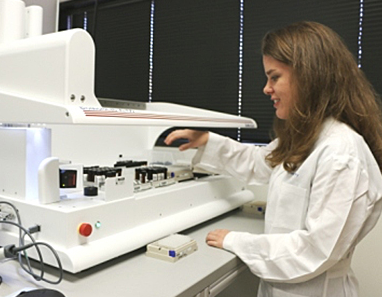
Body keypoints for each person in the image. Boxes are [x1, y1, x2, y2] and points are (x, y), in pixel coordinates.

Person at [164, 21, 382, 297]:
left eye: (274, 77)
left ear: (309, 77)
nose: (266, 89)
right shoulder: (309, 137)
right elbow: (263, 161)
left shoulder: (340, 152)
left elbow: (315, 251)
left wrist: (237, 241)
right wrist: (208, 141)